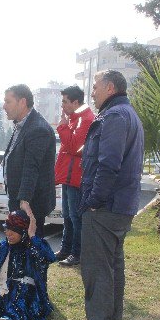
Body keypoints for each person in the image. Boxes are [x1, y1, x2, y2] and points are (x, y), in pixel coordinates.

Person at [64, 70, 144, 320]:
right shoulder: (126, 114)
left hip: (106, 208)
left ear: (110, 88)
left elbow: (109, 164)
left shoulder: (113, 117)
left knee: (97, 269)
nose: (93, 92)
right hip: (120, 207)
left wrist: (92, 202)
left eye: (96, 86)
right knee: (112, 267)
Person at [2, 84, 56, 237]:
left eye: (8, 101)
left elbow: (31, 168)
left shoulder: (37, 129)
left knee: (30, 253)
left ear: (22, 102)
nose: (4, 106)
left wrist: (24, 201)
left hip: (30, 205)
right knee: (20, 252)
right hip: (20, 201)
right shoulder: (22, 125)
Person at [54, 85, 95, 267]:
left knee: (75, 217)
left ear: (75, 102)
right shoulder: (75, 119)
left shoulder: (85, 119)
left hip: (77, 177)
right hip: (68, 176)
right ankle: (66, 249)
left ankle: (76, 253)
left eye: (65, 102)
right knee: (68, 215)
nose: (62, 106)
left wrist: (62, 127)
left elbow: (73, 147)